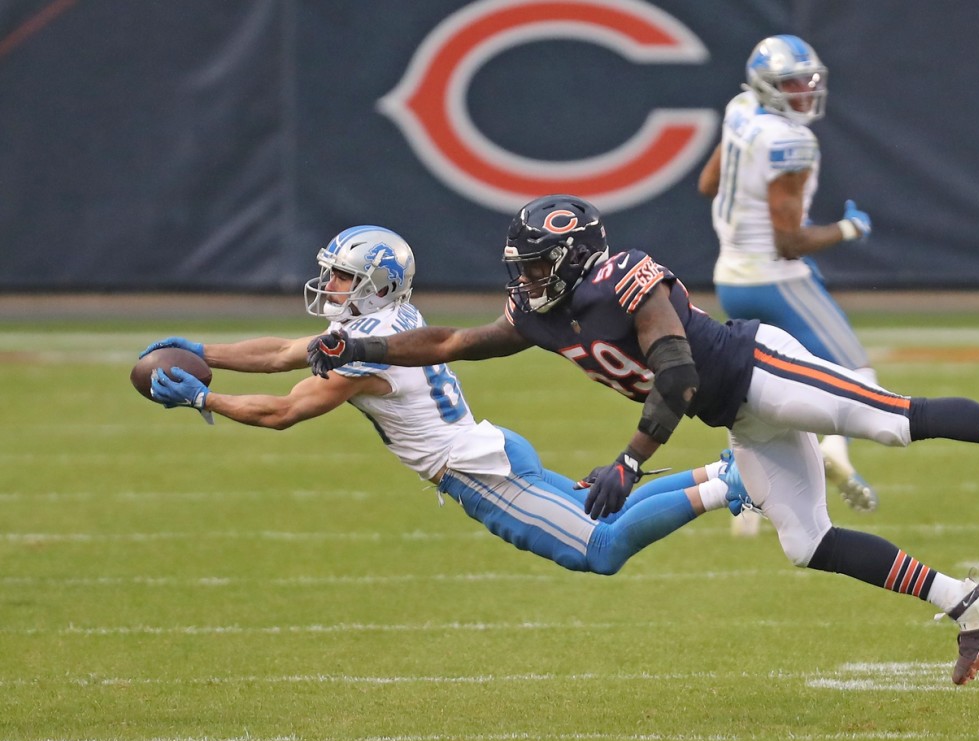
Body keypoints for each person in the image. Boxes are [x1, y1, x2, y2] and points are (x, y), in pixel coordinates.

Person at [306, 196, 979, 686]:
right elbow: (453, 342)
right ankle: (969, 600)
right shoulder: (537, 310)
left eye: (533, 267)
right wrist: (364, 347)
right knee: (806, 542)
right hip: (738, 420)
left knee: (891, 419)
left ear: (573, 258)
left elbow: (677, 376)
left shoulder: (627, 276)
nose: (521, 281)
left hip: (759, 369)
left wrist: (630, 462)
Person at [141, 225, 749, 577]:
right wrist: (206, 351)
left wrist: (205, 400)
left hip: (475, 470)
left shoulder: (363, 347)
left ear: (374, 283)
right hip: (491, 448)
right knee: (602, 516)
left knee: (601, 549)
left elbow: (285, 410)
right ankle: (720, 473)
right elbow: (280, 352)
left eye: (341, 277)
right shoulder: (386, 324)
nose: (329, 286)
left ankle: (727, 487)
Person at [697, 34, 879, 517]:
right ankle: (834, 454)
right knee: (860, 376)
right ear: (767, 85)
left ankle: (746, 483)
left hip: (731, 279)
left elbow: (707, 183)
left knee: (772, 393)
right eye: (790, 82)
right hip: (776, 278)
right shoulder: (790, 141)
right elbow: (789, 242)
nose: (803, 90)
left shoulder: (739, 108)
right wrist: (848, 228)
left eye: (807, 80)